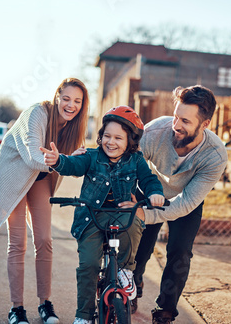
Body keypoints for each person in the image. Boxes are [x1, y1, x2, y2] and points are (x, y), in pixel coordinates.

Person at [40, 106, 165, 324]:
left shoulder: (136, 160)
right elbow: (72, 165)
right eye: (107, 135)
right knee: (88, 265)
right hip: (91, 218)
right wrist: (58, 161)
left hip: (120, 216)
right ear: (100, 136)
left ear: (130, 142)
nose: (111, 142)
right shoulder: (91, 156)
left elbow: (149, 180)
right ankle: (84, 315)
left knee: (136, 221)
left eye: (118, 137)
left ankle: (126, 271)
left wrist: (155, 194)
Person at [0, 78, 89, 324]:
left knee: (44, 239)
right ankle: (17, 308)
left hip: (39, 179)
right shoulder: (37, 113)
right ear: (57, 96)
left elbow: (62, 164)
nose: (71, 105)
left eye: (77, 101)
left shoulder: (73, 126)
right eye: (66, 98)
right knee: (18, 242)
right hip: (14, 175)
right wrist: (60, 159)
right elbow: (34, 157)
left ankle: (45, 304)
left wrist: (70, 159)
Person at [131, 85, 228, 324]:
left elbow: (186, 203)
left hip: (186, 198)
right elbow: (131, 168)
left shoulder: (215, 155)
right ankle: (133, 283)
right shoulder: (154, 132)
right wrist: (138, 208)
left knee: (180, 252)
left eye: (185, 120)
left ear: (204, 125)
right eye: (175, 116)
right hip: (149, 187)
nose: (176, 124)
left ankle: (165, 311)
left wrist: (148, 215)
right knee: (138, 243)